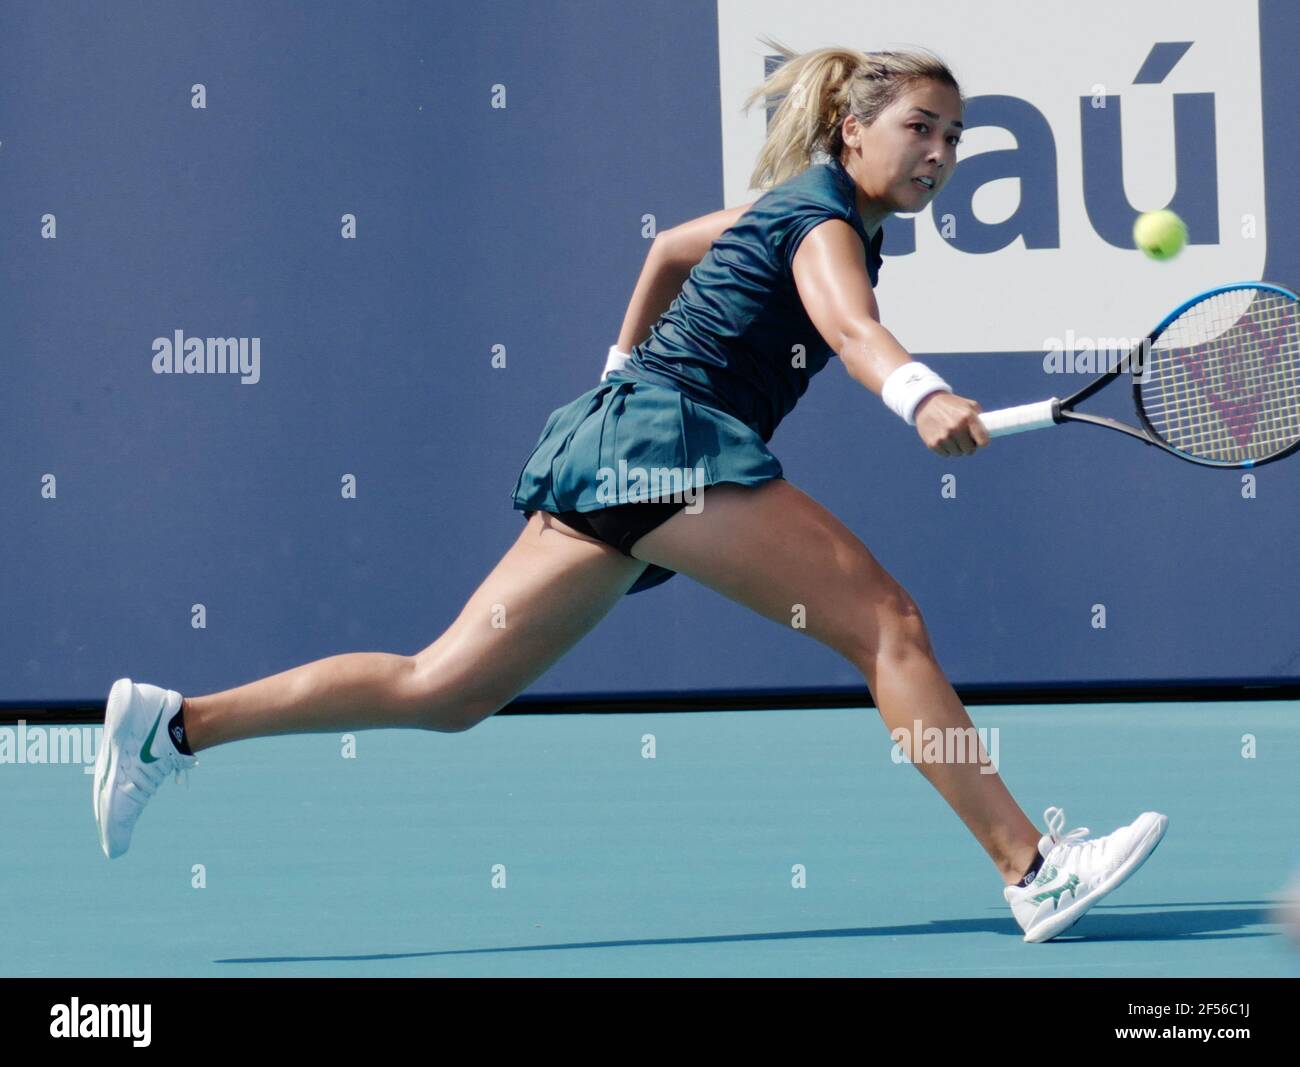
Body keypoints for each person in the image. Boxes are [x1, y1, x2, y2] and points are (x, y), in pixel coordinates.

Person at [94, 41, 1167, 944]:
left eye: (952, 137)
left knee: (445, 687)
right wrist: (920, 394)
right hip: (670, 447)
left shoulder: (787, 209)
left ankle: (174, 727)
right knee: (886, 622)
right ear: (852, 128)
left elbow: (664, 248)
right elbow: (850, 331)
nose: (938, 153)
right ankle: (1032, 867)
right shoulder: (824, 224)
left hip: (616, 444)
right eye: (918, 128)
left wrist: (619, 367)